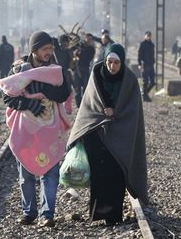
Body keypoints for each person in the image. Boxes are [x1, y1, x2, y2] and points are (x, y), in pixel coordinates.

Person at [67, 43, 148, 226]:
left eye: (116, 63)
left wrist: (116, 112)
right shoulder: (96, 77)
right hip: (96, 135)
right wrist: (102, 114)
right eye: (109, 62)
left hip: (121, 135)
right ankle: (97, 214)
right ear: (105, 60)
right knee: (99, 174)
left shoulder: (129, 81)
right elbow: (89, 106)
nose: (112, 66)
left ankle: (113, 216)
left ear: (122, 63)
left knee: (117, 173)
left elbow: (132, 111)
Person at [1, 31, 71, 227]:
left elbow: (64, 93)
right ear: (34, 50)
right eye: (45, 49)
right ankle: (29, 212)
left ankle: (47, 214)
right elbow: (7, 97)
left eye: (51, 49)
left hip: (50, 130)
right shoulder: (18, 70)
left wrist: (43, 88)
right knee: (26, 174)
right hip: (26, 131)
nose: (49, 52)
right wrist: (29, 104)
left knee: (51, 172)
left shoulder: (55, 70)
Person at [71, 33, 96, 108]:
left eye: (90, 39)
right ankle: (79, 105)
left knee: (86, 88)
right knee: (77, 88)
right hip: (77, 69)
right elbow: (72, 48)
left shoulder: (91, 49)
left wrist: (80, 51)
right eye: (87, 38)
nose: (88, 40)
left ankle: (85, 105)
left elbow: (88, 58)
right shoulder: (79, 46)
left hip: (85, 69)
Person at [138, 31, 155, 102]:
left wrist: (154, 62)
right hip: (144, 64)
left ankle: (144, 94)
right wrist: (139, 64)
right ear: (145, 36)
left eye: (150, 36)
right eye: (147, 35)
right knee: (145, 82)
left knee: (152, 82)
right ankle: (145, 96)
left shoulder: (152, 45)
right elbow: (139, 54)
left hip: (151, 65)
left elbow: (152, 55)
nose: (149, 37)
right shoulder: (142, 44)